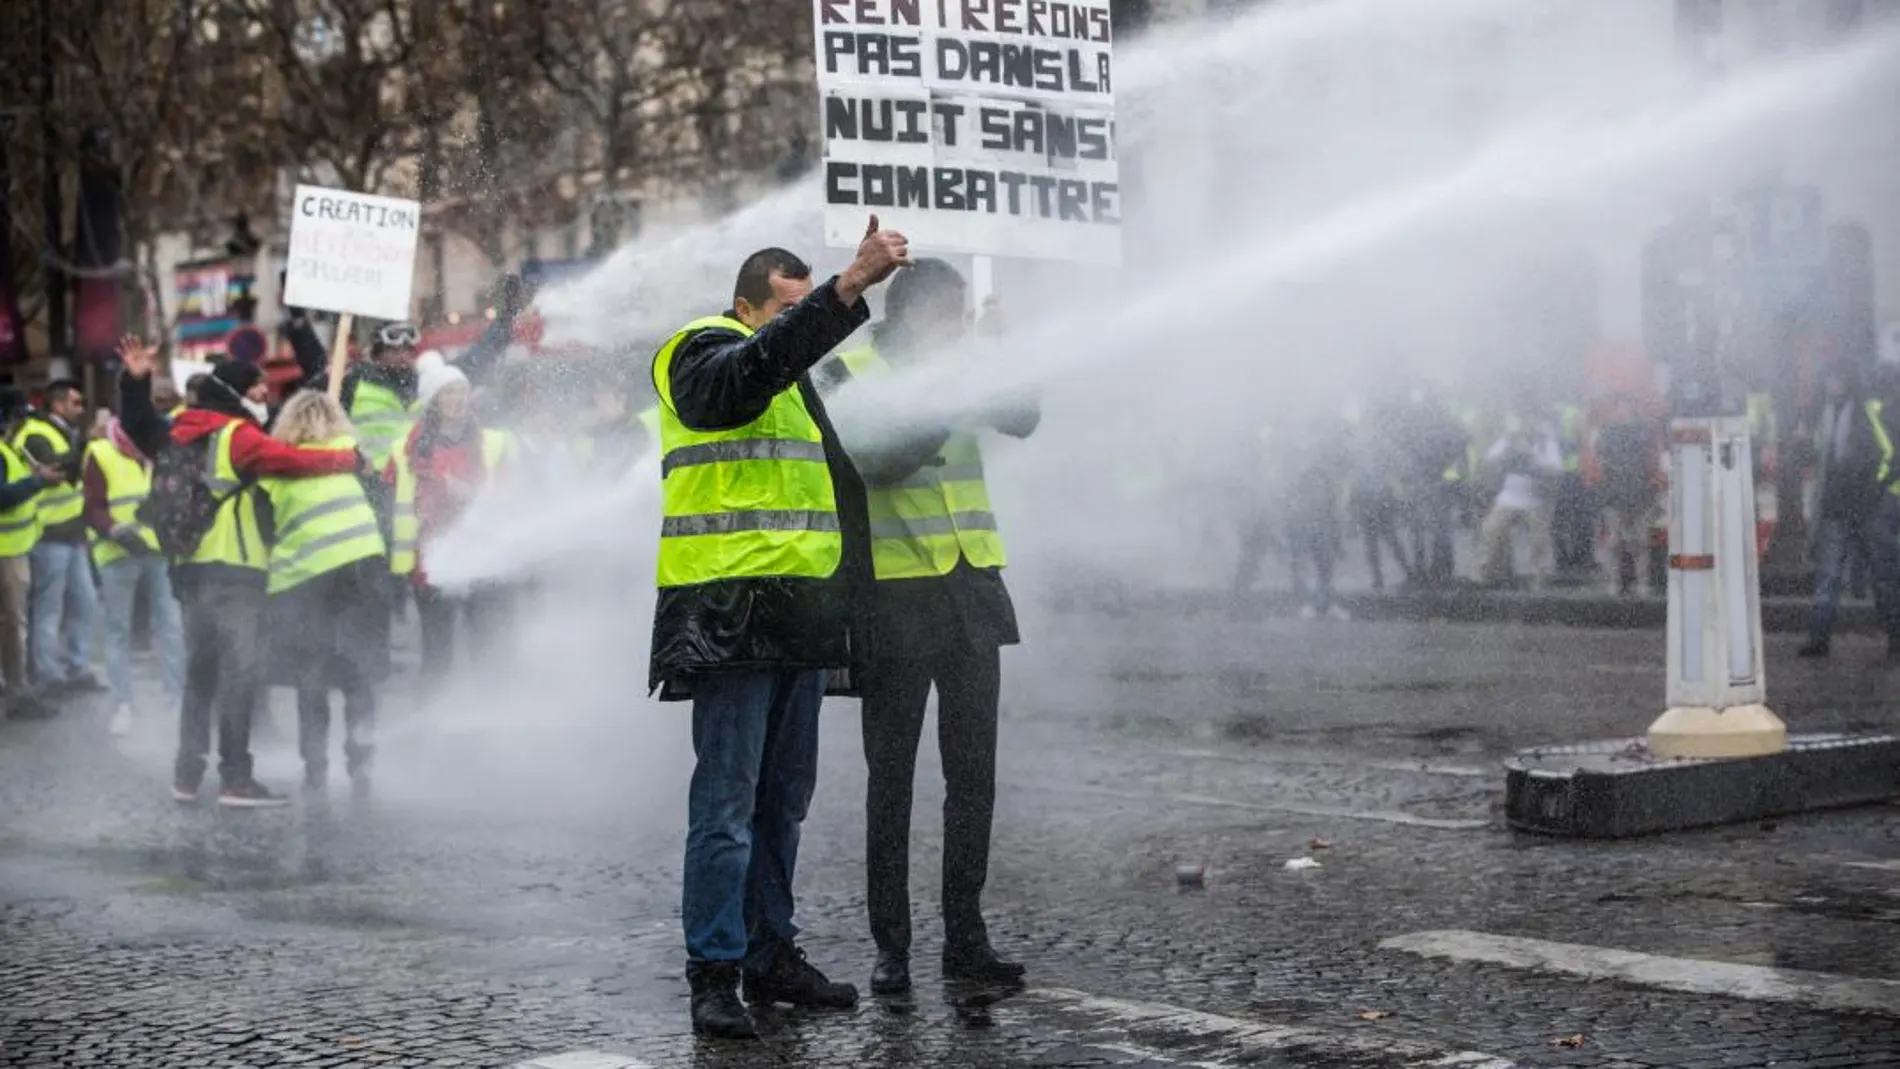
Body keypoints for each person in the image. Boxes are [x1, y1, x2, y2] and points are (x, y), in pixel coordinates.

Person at [654, 219, 908, 1039]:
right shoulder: (695, 349)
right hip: (729, 617)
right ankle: (714, 971)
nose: (800, 325)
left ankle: (771, 954)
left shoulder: (800, 382)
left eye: (809, 305)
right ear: (744, 304)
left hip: (798, 617)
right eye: (787, 308)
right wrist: (842, 292)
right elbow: (737, 382)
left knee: (784, 804)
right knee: (726, 808)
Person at [813, 260, 1033, 998]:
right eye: (950, 316)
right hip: (895, 597)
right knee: (893, 782)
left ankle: (966, 938)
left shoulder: (966, 361)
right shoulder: (849, 367)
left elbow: (1024, 415)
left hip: (972, 588)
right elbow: (875, 456)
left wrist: (998, 354)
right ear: (911, 314)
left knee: (974, 778)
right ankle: (892, 946)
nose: (959, 328)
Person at [116, 337, 362, 807]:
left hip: (189, 572)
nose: (265, 395)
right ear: (237, 393)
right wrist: (344, 459)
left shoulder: (178, 430)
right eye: (258, 388)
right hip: (236, 574)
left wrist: (136, 379)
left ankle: (186, 777)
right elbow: (288, 462)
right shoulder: (236, 435)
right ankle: (236, 779)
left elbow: (136, 422)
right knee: (239, 676)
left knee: (199, 678)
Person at [261, 392, 389, 797]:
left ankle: (315, 765)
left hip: (306, 575)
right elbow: (379, 498)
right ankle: (361, 758)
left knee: (311, 671)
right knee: (359, 669)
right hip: (361, 566)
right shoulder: (350, 453)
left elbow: (266, 524)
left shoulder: (278, 463)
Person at [387, 354, 514, 684]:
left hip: (481, 557)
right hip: (428, 563)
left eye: (461, 391)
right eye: (447, 392)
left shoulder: (493, 442)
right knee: (436, 650)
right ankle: (433, 718)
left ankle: (485, 712)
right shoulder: (404, 449)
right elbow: (388, 497)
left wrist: (470, 493)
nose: (457, 399)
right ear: (432, 401)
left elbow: (512, 498)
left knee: (486, 645)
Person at [82, 413, 184, 737]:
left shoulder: (154, 453)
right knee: (119, 630)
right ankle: (122, 704)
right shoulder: (100, 452)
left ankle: (176, 700)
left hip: (155, 549)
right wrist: (115, 530)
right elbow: (92, 504)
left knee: (171, 625)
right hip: (118, 551)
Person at [1798, 363, 1900, 659]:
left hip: (1862, 508)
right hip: (1845, 508)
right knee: (1847, 576)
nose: (1831, 384)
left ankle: (1894, 636)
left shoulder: (1864, 413)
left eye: (1836, 377)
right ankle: (1819, 638)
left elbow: (1887, 455)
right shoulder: (1834, 414)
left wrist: (1873, 492)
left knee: (1878, 576)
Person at [15, 379, 102, 696]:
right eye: (76, 403)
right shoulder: (36, 434)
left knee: (85, 602)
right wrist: (87, 443)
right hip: (49, 534)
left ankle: (76, 667)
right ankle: (48, 675)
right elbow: (56, 471)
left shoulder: (66, 432)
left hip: (72, 533)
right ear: (58, 404)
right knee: (49, 608)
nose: (81, 409)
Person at [0, 389, 61, 719]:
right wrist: (37, 483)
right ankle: (18, 693)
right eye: (17, 415)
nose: (20, 422)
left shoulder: (10, 449)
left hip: (13, 551)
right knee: (12, 626)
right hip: (6, 554)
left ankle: (16, 689)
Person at [1587, 395, 1664, 598]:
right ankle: (1615, 583)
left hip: (1640, 494)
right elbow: (1598, 462)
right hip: (1616, 495)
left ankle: (1642, 585)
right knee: (1615, 542)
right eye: (1621, 404)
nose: (1625, 409)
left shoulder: (1646, 431)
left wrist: (1654, 485)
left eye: (1628, 404)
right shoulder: (1607, 432)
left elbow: (1654, 460)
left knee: (1640, 542)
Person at [1475, 415, 1563, 589]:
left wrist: (1534, 464)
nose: (1527, 427)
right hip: (1508, 497)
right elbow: (1488, 461)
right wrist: (1506, 459)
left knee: (1539, 540)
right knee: (1491, 531)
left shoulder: (1546, 444)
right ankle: (1485, 576)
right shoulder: (1508, 441)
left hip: (1536, 499)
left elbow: (1557, 471)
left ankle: (1540, 579)